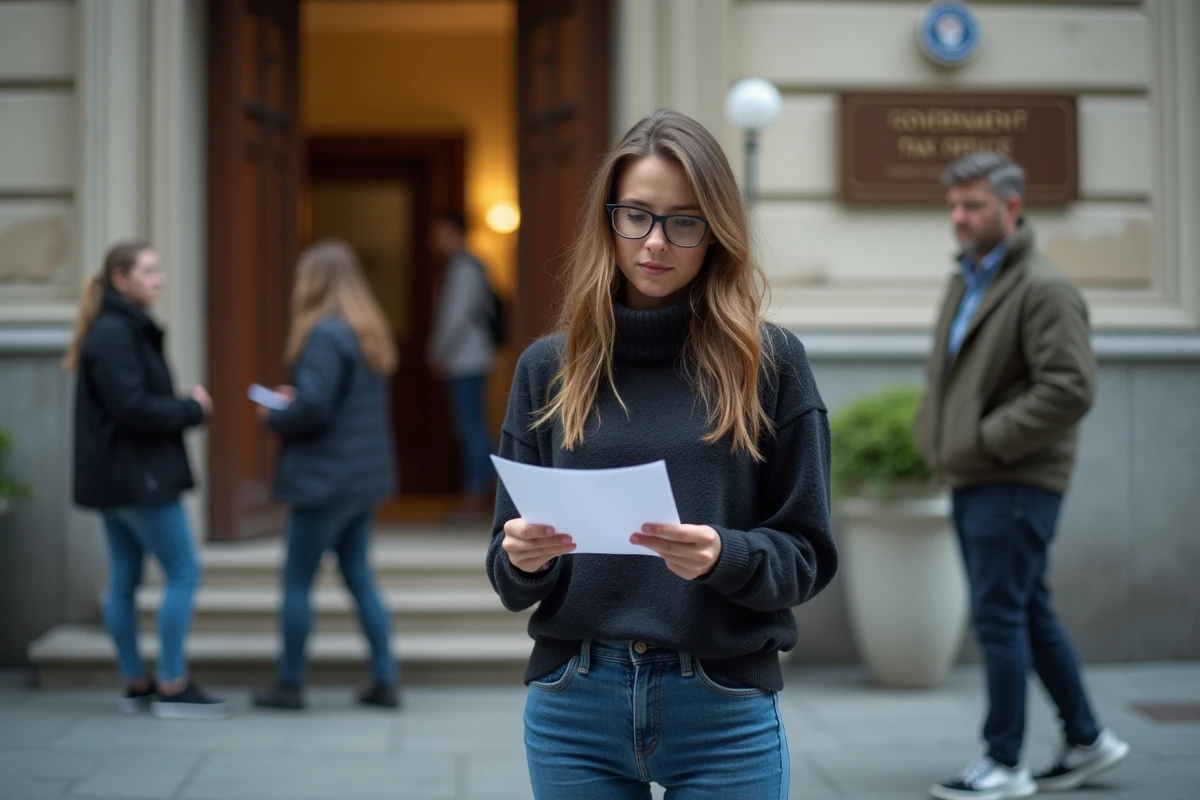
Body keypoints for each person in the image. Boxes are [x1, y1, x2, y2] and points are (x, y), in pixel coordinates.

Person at [485, 109, 838, 799]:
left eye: (684, 222)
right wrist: (523, 558)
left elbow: (808, 556)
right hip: (574, 703)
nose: (655, 241)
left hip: (721, 706)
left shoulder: (770, 364)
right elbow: (506, 571)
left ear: (717, 233)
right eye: (637, 216)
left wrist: (726, 555)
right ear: (608, 221)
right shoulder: (547, 369)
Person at [915, 152, 1130, 800]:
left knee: (998, 617)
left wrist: (984, 440)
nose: (959, 217)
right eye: (954, 205)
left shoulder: (1044, 287)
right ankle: (1087, 738)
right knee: (1027, 610)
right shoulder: (967, 278)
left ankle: (1004, 761)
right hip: (977, 475)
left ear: (1012, 207)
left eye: (973, 205)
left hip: (1013, 480)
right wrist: (939, 437)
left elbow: (1069, 387)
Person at [66, 240, 227, 719]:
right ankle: (172, 686)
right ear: (121, 279)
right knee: (183, 572)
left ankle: (138, 683)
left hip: (121, 479)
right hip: (139, 479)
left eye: (159, 269)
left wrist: (180, 406)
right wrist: (191, 409)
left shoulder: (118, 329)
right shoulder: (116, 333)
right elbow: (132, 408)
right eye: (149, 271)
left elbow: (129, 402)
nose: (160, 278)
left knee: (125, 579)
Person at [252, 240, 401, 711]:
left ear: (312, 282)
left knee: (298, 580)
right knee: (359, 576)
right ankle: (385, 680)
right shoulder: (367, 331)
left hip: (324, 480)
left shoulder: (323, 334)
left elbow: (315, 407)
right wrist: (299, 399)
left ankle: (289, 684)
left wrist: (276, 414)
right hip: (362, 479)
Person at [427, 211, 498, 519]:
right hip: (468, 357)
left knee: (470, 426)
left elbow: (456, 317)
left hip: (466, 359)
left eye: (439, 232)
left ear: (453, 232)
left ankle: (476, 492)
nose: (434, 240)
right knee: (471, 425)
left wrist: (438, 351)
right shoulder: (464, 266)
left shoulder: (464, 267)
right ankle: (485, 487)